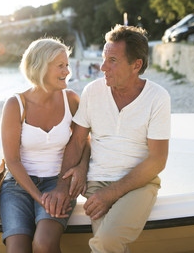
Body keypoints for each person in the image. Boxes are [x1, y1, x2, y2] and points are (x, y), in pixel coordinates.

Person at [42, 25, 171, 252]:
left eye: (112, 60)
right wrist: (62, 186)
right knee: (107, 243)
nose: (102, 67)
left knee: (106, 242)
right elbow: (78, 141)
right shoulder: (93, 91)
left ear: (136, 65)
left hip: (139, 184)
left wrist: (111, 194)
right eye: (103, 58)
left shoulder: (158, 98)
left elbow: (157, 160)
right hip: (97, 183)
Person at [0, 38, 88, 253]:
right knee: (17, 250)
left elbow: (84, 141)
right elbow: (12, 160)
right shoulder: (15, 105)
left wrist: (81, 169)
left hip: (58, 183)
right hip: (17, 186)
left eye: (67, 65)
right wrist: (39, 198)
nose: (67, 71)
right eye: (61, 66)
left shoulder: (71, 100)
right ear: (40, 67)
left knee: (44, 244)